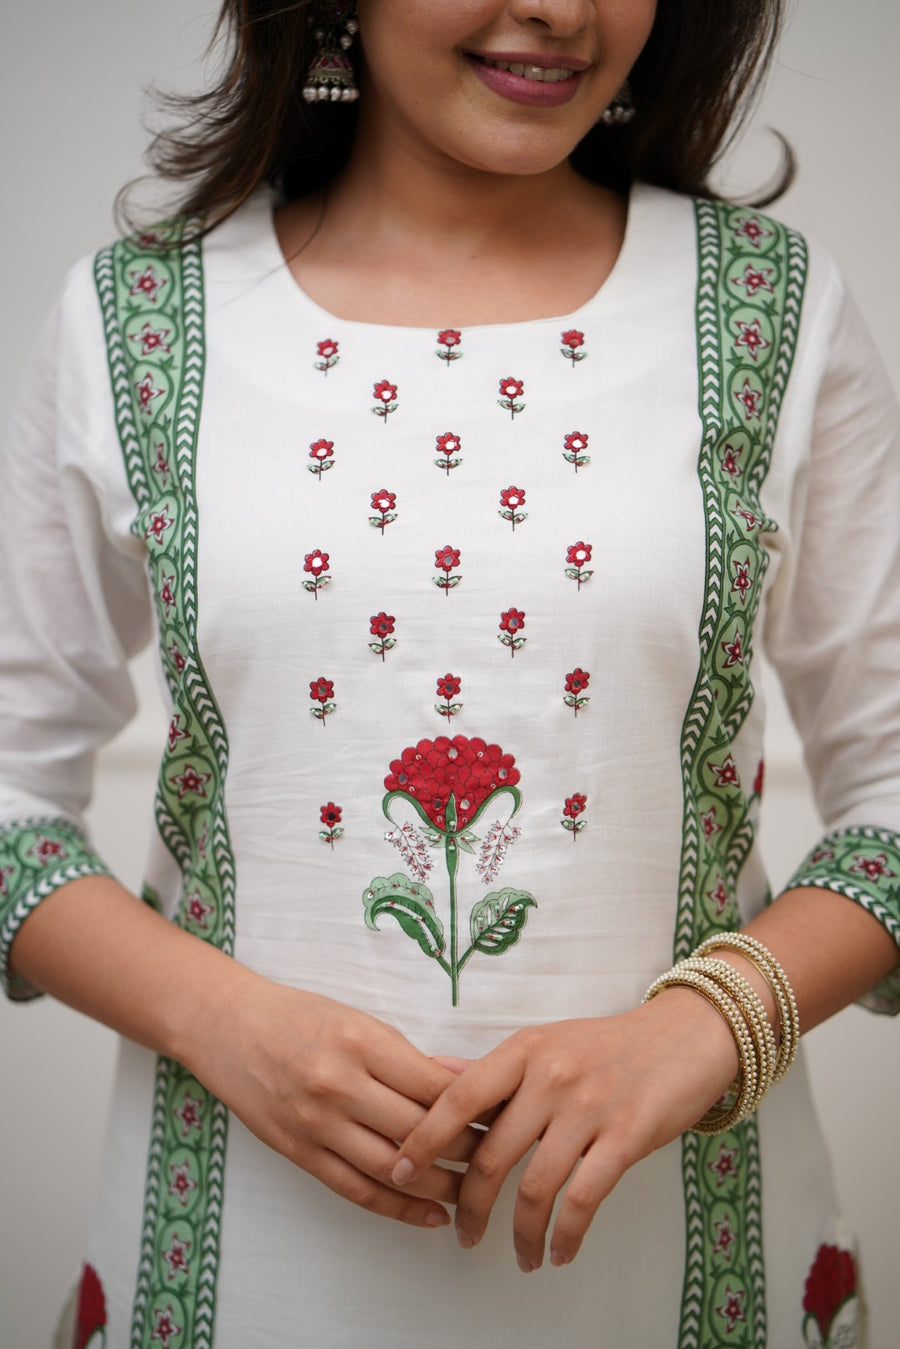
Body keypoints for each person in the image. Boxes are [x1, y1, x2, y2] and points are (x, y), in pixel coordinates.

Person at [1, 1, 898, 1345]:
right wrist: (221, 1019)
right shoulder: (139, 319)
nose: (562, 9)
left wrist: (705, 1027)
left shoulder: (770, 309)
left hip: (678, 1262)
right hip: (242, 1275)